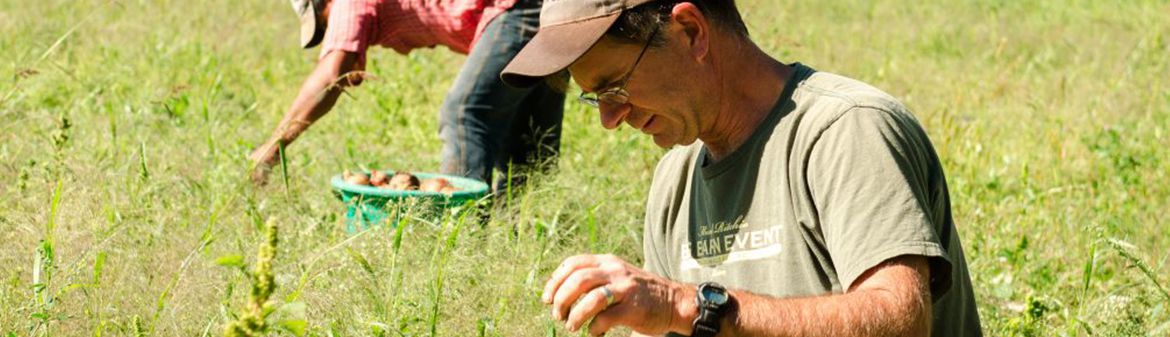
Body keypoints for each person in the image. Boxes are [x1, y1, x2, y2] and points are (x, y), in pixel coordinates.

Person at [500, 0, 982, 336]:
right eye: (596, 97)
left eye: (615, 86)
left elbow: (899, 320)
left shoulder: (845, 130)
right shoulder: (675, 179)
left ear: (690, 31)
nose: (610, 118)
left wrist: (686, 306)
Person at [249, 0, 565, 190]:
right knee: (530, 150)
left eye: (325, 25)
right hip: (546, 9)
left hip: (516, 8)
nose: (330, 33)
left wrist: (273, 146)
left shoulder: (347, 3)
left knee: (465, 113)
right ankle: (523, 237)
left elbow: (332, 75)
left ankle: (456, 233)